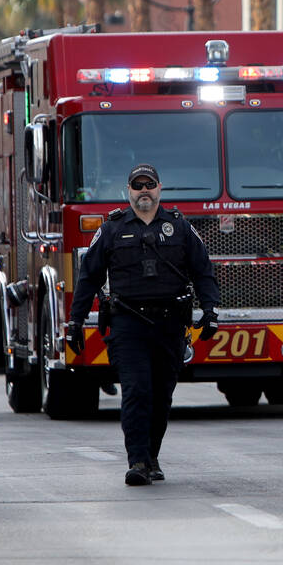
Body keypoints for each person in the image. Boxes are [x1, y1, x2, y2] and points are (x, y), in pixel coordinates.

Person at [67, 163, 221, 486]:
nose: (144, 191)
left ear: (160, 189)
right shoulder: (111, 229)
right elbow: (88, 276)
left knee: (162, 395)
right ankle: (136, 460)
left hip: (169, 325)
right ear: (128, 192)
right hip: (128, 325)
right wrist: (75, 321)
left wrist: (210, 311)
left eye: (149, 185)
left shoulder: (179, 227)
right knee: (137, 391)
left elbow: (203, 270)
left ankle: (151, 455)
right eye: (138, 186)